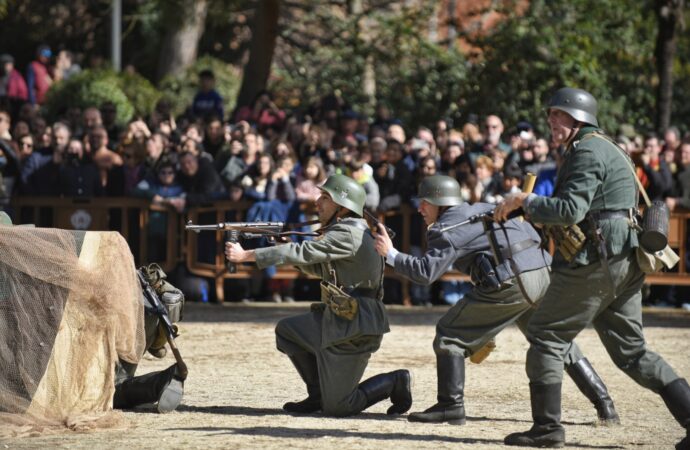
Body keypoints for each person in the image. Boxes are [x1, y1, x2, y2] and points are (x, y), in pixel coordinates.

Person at [495, 87, 690, 449]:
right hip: (623, 260)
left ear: (579, 117)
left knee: (545, 336)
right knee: (632, 353)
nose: (551, 119)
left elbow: (571, 210)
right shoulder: (608, 145)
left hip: (596, 260)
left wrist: (527, 200)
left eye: (559, 114)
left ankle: (547, 429)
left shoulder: (586, 151)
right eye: (550, 113)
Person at [374, 174, 619, 426]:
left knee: (449, 334)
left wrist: (390, 253)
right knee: (554, 341)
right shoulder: (485, 207)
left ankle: (451, 406)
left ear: (442, 203)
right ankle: (605, 405)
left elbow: (425, 273)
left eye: (425, 202)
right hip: (544, 272)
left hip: (514, 280)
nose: (419, 208)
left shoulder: (445, 229)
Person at [225, 174, 412, 417]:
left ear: (343, 208)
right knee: (288, 331)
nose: (317, 201)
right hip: (340, 318)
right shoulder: (345, 231)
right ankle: (318, 395)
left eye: (326, 197)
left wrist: (246, 256)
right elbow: (317, 266)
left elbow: (302, 251)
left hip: (356, 326)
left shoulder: (348, 234)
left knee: (340, 407)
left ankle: (394, 381)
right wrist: (286, 250)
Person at [113, 264, 185, 413]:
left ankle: (162, 380)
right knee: (113, 389)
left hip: (131, 310)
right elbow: (172, 298)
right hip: (143, 301)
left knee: (110, 391)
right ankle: (163, 380)